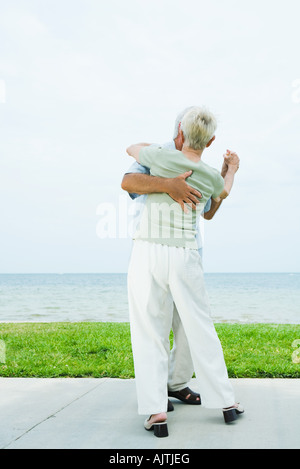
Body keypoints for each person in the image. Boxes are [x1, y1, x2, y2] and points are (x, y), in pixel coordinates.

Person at [126, 106, 243, 437]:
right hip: (186, 255)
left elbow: (131, 151)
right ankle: (227, 403)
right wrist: (229, 169)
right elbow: (221, 193)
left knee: (149, 332)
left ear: (179, 133)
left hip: (148, 249)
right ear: (211, 140)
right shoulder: (209, 175)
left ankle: (156, 413)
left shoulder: (162, 156)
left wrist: (161, 163)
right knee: (201, 327)